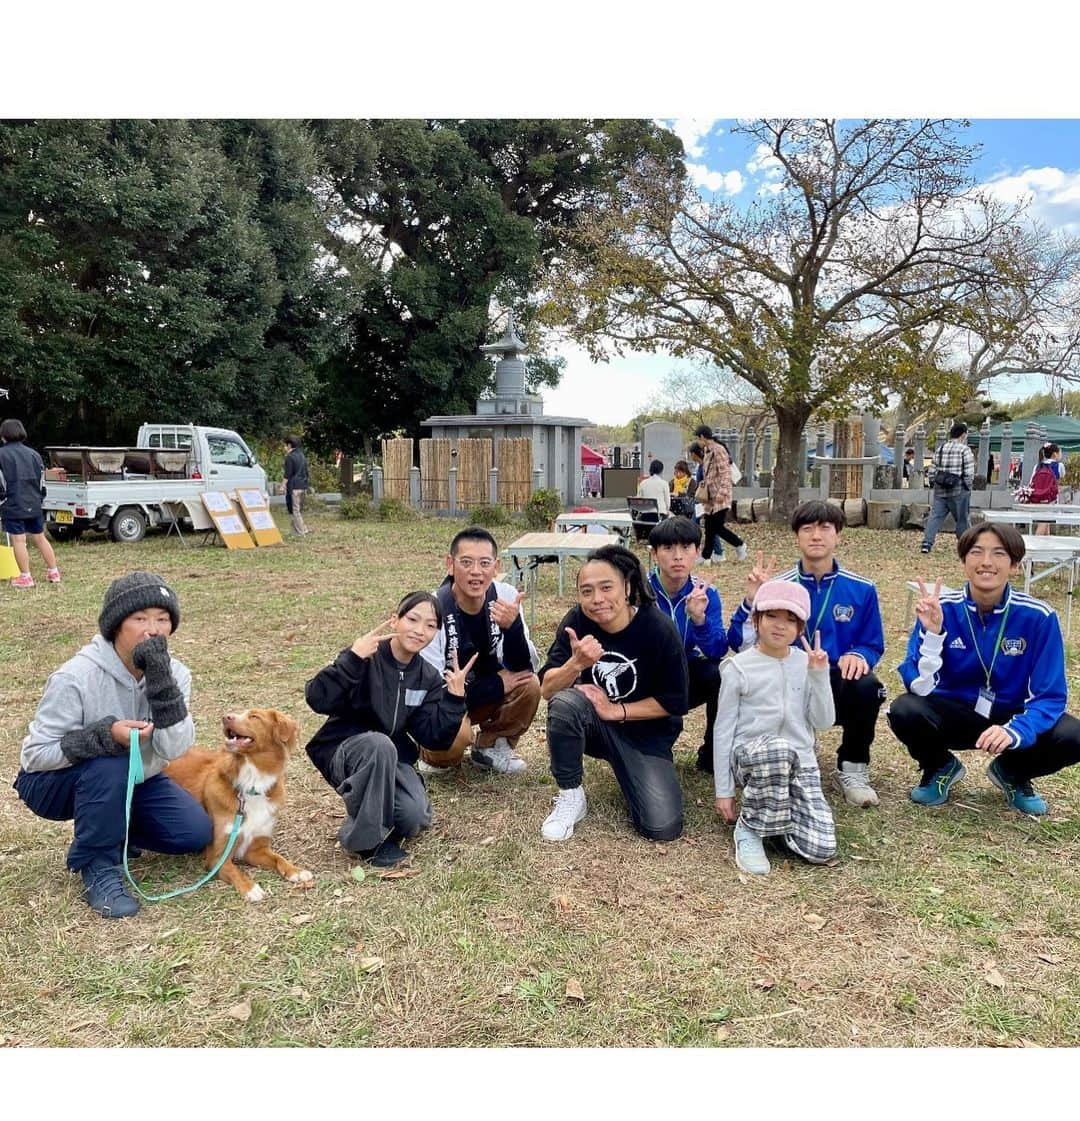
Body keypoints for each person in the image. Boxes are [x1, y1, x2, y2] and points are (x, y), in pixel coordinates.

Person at [13, 572, 211, 918]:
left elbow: (174, 748)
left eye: (163, 620)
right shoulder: (75, 677)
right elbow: (36, 755)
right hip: (51, 782)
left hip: (135, 779)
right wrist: (104, 736)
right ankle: (97, 864)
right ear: (116, 626)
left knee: (193, 833)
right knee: (111, 760)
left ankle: (113, 830)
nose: (153, 630)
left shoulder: (175, 674)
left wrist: (161, 684)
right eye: (140, 619)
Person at [889, 523, 1080, 816]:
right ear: (965, 562)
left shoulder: (1039, 617)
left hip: (1010, 716)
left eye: (999, 553)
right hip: (954, 711)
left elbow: (1050, 695)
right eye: (976, 552)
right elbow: (919, 686)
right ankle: (939, 766)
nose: (986, 562)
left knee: (1072, 734)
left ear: (1015, 565)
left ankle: (1012, 772)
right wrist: (933, 634)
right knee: (904, 709)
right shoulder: (940, 608)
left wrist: (1017, 731)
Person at [726, 500, 885, 807]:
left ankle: (852, 767)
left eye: (825, 528)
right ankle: (763, 756)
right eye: (807, 528)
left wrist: (860, 656)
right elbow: (739, 642)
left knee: (867, 686)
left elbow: (872, 642)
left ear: (838, 535)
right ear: (796, 537)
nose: (816, 536)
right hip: (783, 676)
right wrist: (752, 599)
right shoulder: (777, 587)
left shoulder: (862, 589)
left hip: (832, 677)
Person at [305, 592, 469, 867]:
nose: (419, 630)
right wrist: (351, 659)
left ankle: (373, 812)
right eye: (413, 619)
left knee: (414, 817)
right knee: (379, 744)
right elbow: (317, 699)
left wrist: (453, 700)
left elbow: (433, 738)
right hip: (345, 751)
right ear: (395, 620)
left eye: (430, 625)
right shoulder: (365, 657)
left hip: (390, 755)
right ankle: (368, 842)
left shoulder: (427, 676)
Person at [538, 544, 689, 843]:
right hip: (596, 729)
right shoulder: (577, 622)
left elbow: (674, 701)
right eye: (587, 591)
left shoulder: (658, 628)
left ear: (627, 586)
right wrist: (576, 663)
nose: (597, 600)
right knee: (565, 704)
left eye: (606, 587)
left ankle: (632, 770)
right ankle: (571, 795)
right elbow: (547, 689)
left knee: (662, 828)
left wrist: (617, 710)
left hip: (647, 738)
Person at [713, 579, 837, 875]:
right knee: (778, 750)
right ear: (756, 620)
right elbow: (723, 729)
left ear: (800, 629)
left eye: (790, 619)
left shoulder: (806, 663)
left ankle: (777, 819)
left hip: (799, 762)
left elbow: (824, 722)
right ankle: (750, 828)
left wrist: (819, 676)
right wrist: (724, 791)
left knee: (821, 849)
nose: (780, 626)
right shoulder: (738, 667)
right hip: (753, 757)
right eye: (771, 616)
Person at [418, 527, 540, 775]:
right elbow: (429, 694)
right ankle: (430, 755)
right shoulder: (432, 609)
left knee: (529, 684)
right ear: (450, 565)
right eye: (466, 562)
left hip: (478, 691)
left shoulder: (505, 596)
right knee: (452, 742)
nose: (476, 571)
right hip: (444, 702)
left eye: (484, 563)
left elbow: (524, 666)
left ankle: (491, 747)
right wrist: (495, 686)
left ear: (495, 567)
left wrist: (512, 627)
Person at [647, 516, 727, 774]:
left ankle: (712, 755)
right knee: (662, 735)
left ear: (697, 551)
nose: (678, 556)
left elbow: (717, 650)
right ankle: (650, 750)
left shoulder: (706, 594)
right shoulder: (640, 592)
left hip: (685, 674)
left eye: (686, 548)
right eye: (669, 548)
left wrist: (699, 619)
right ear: (655, 554)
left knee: (720, 674)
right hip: (646, 678)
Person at [0, 417, 61, 588]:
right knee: (40, 538)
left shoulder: (1, 455)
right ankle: (53, 571)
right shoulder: (34, 454)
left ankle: (25, 577)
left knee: (19, 540)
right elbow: (42, 481)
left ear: (3, 435)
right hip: (34, 502)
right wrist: (40, 497)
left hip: (12, 503)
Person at [693, 425, 747, 565]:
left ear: (703, 437)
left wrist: (722, 493)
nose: (698, 442)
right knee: (710, 527)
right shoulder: (707, 451)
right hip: (710, 497)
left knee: (716, 526)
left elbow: (725, 474)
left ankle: (739, 544)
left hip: (720, 496)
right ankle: (706, 557)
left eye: (698, 438)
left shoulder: (719, 450)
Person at [920, 422, 975, 555]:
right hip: (958, 489)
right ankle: (965, 545)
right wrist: (968, 486)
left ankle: (927, 543)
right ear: (963, 435)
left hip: (940, 489)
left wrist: (933, 482)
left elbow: (932, 469)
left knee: (935, 516)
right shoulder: (964, 450)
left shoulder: (941, 448)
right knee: (962, 518)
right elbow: (968, 472)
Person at [1029, 443, 1062, 536]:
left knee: (1045, 522)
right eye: (1060, 452)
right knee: (1044, 522)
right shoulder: (1059, 466)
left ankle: (1046, 544)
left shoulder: (1038, 466)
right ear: (1055, 454)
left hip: (1037, 497)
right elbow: (1061, 477)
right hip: (1050, 498)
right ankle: (1035, 544)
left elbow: (1031, 481)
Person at [282, 434, 310, 537]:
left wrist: (282, 486)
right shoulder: (301, 455)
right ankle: (296, 531)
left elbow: (287, 474)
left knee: (294, 510)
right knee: (297, 509)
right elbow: (306, 471)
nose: (284, 447)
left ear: (289, 445)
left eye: (285, 445)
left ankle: (302, 531)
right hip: (303, 485)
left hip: (294, 486)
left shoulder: (289, 457)